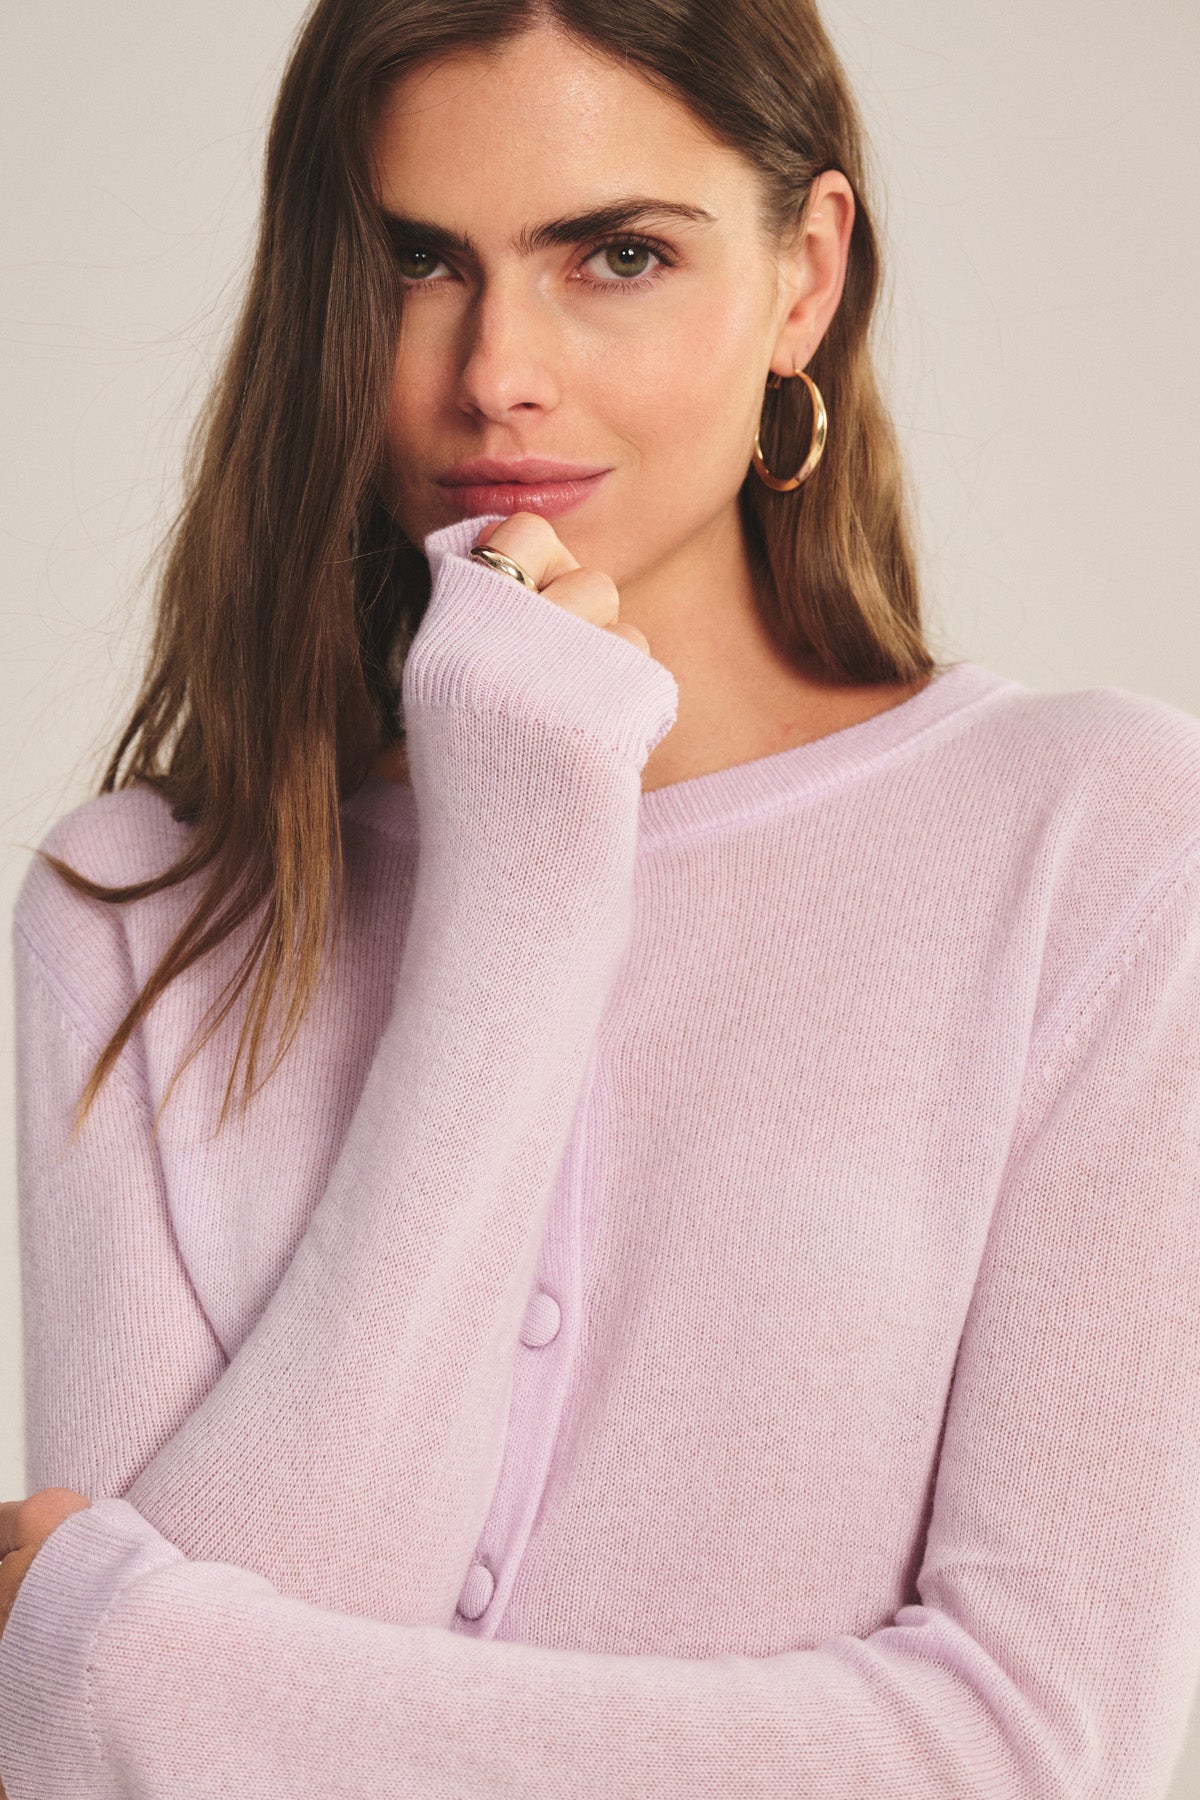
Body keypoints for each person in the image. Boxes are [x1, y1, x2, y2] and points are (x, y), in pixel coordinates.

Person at [1, 1, 1199, 1795]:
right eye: (417, 262)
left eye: (616, 254)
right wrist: (521, 900)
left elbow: (1031, 1747)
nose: (497, 371)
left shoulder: (1099, 847)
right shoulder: (139, 905)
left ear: (805, 276)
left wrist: (130, 1660)